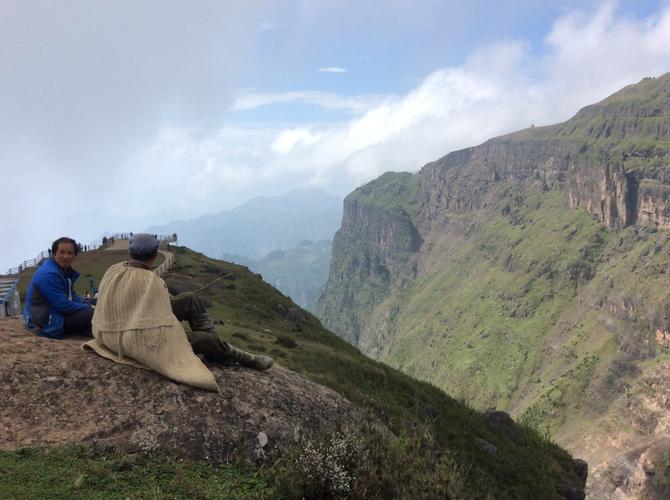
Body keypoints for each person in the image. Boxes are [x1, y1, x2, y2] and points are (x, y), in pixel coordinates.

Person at [84, 233, 272, 391]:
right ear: (154, 255)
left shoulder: (114, 270)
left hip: (110, 330)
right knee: (205, 340)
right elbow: (165, 322)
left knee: (189, 298)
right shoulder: (152, 282)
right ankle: (230, 353)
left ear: (130, 252)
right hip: (134, 338)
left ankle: (213, 350)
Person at [23, 237, 94, 339]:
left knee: (91, 307)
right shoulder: (49, 274)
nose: (65, 256)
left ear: (74, 256)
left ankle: (88, 330)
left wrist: (87, 303)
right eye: (62, 252)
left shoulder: (62, 269)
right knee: (90, 314)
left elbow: (71, 295)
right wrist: (90, 309)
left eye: (70, 253)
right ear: (54, 253)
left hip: (53, 313)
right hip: (44, 320)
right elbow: (62, 305)